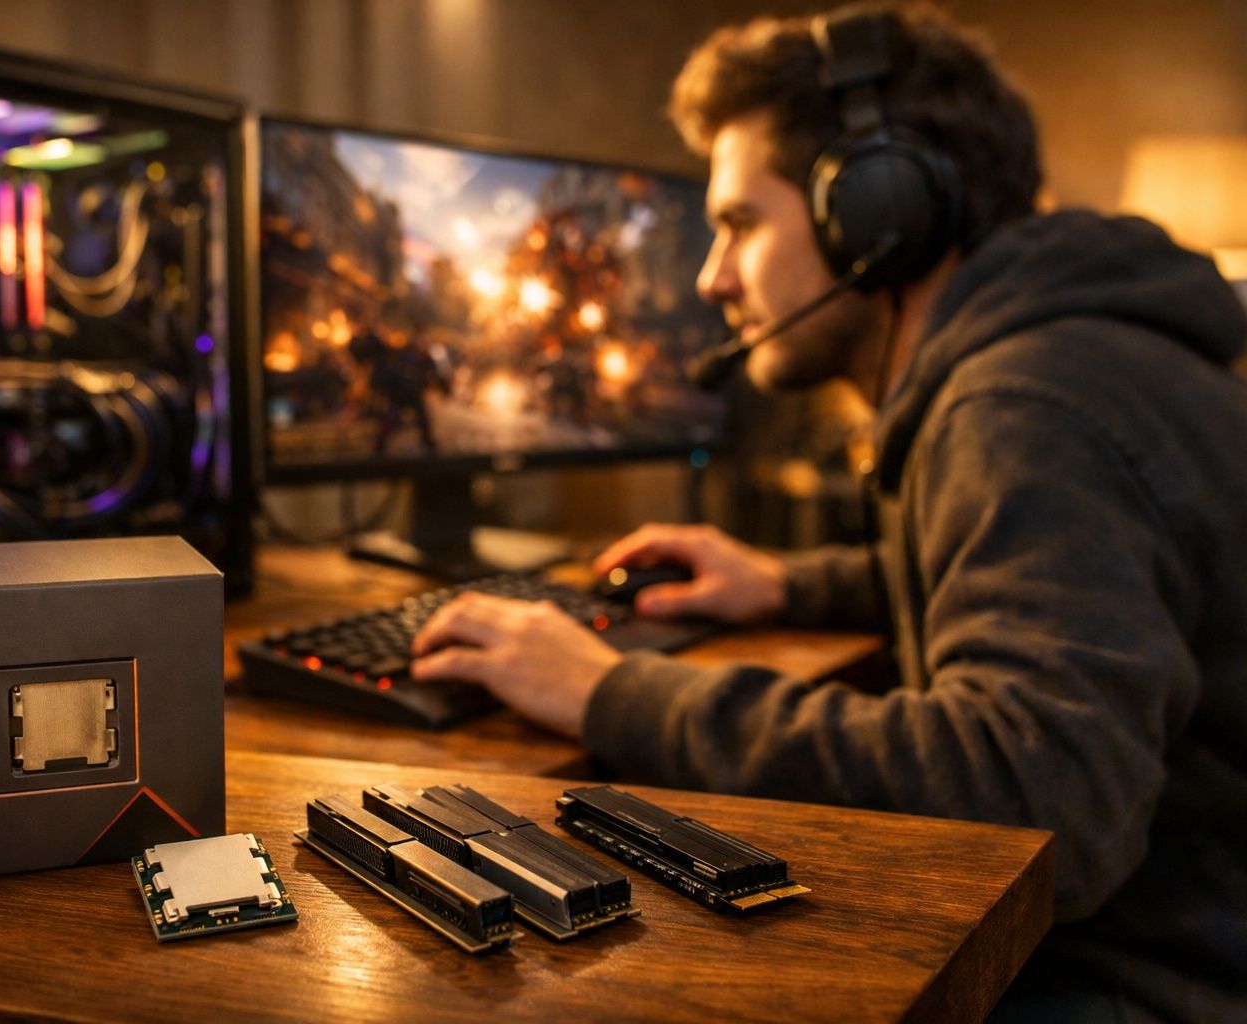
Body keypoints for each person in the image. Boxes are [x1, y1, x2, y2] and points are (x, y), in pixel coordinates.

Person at [409, 4, 1247, 1020]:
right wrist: (787, 581)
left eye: (739, 223)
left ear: (879, 213)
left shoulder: (1022, 404)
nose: (714, 276)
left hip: (1159, 979)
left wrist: (611, 691)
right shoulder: (1067, 359)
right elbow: (1072, 587)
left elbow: (1039, 798)